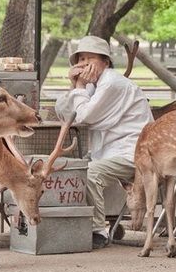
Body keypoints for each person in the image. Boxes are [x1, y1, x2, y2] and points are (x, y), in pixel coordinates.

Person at [55, 36, 153, 249]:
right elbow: (63, 113)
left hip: (133, 152)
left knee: (89, 173)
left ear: (105, 62)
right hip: (109, 151)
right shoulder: (94, 85)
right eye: (80, 60)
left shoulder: (112, 83)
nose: (84, 64)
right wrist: (74, 85)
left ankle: (98, 230)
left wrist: (80, 86)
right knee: (72, 168)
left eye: (90, 58)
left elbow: (84, 117)